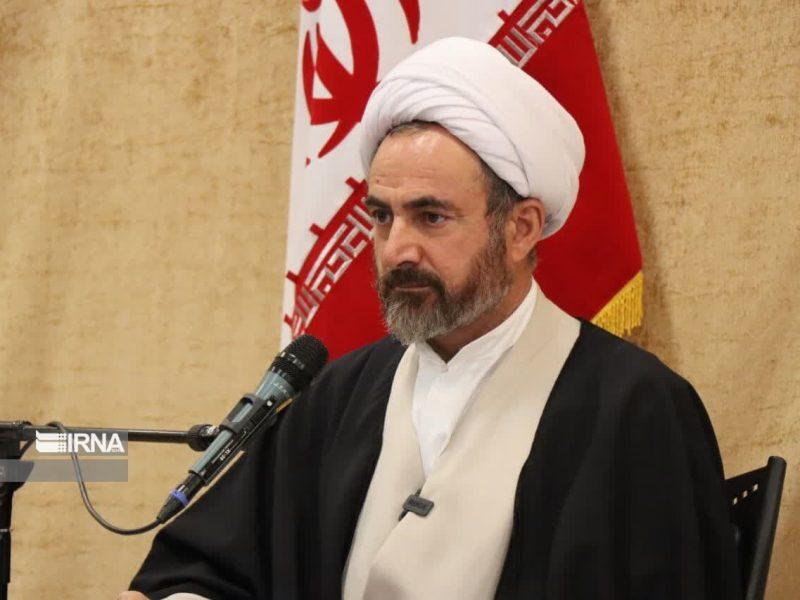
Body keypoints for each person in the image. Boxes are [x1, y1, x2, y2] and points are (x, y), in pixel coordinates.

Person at [121, 38, 740, 600]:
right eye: (382, 216)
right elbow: (210, 567)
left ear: (521, 228)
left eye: (431, 217)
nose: (397, 250)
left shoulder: (635, 407)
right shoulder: (338, 396)